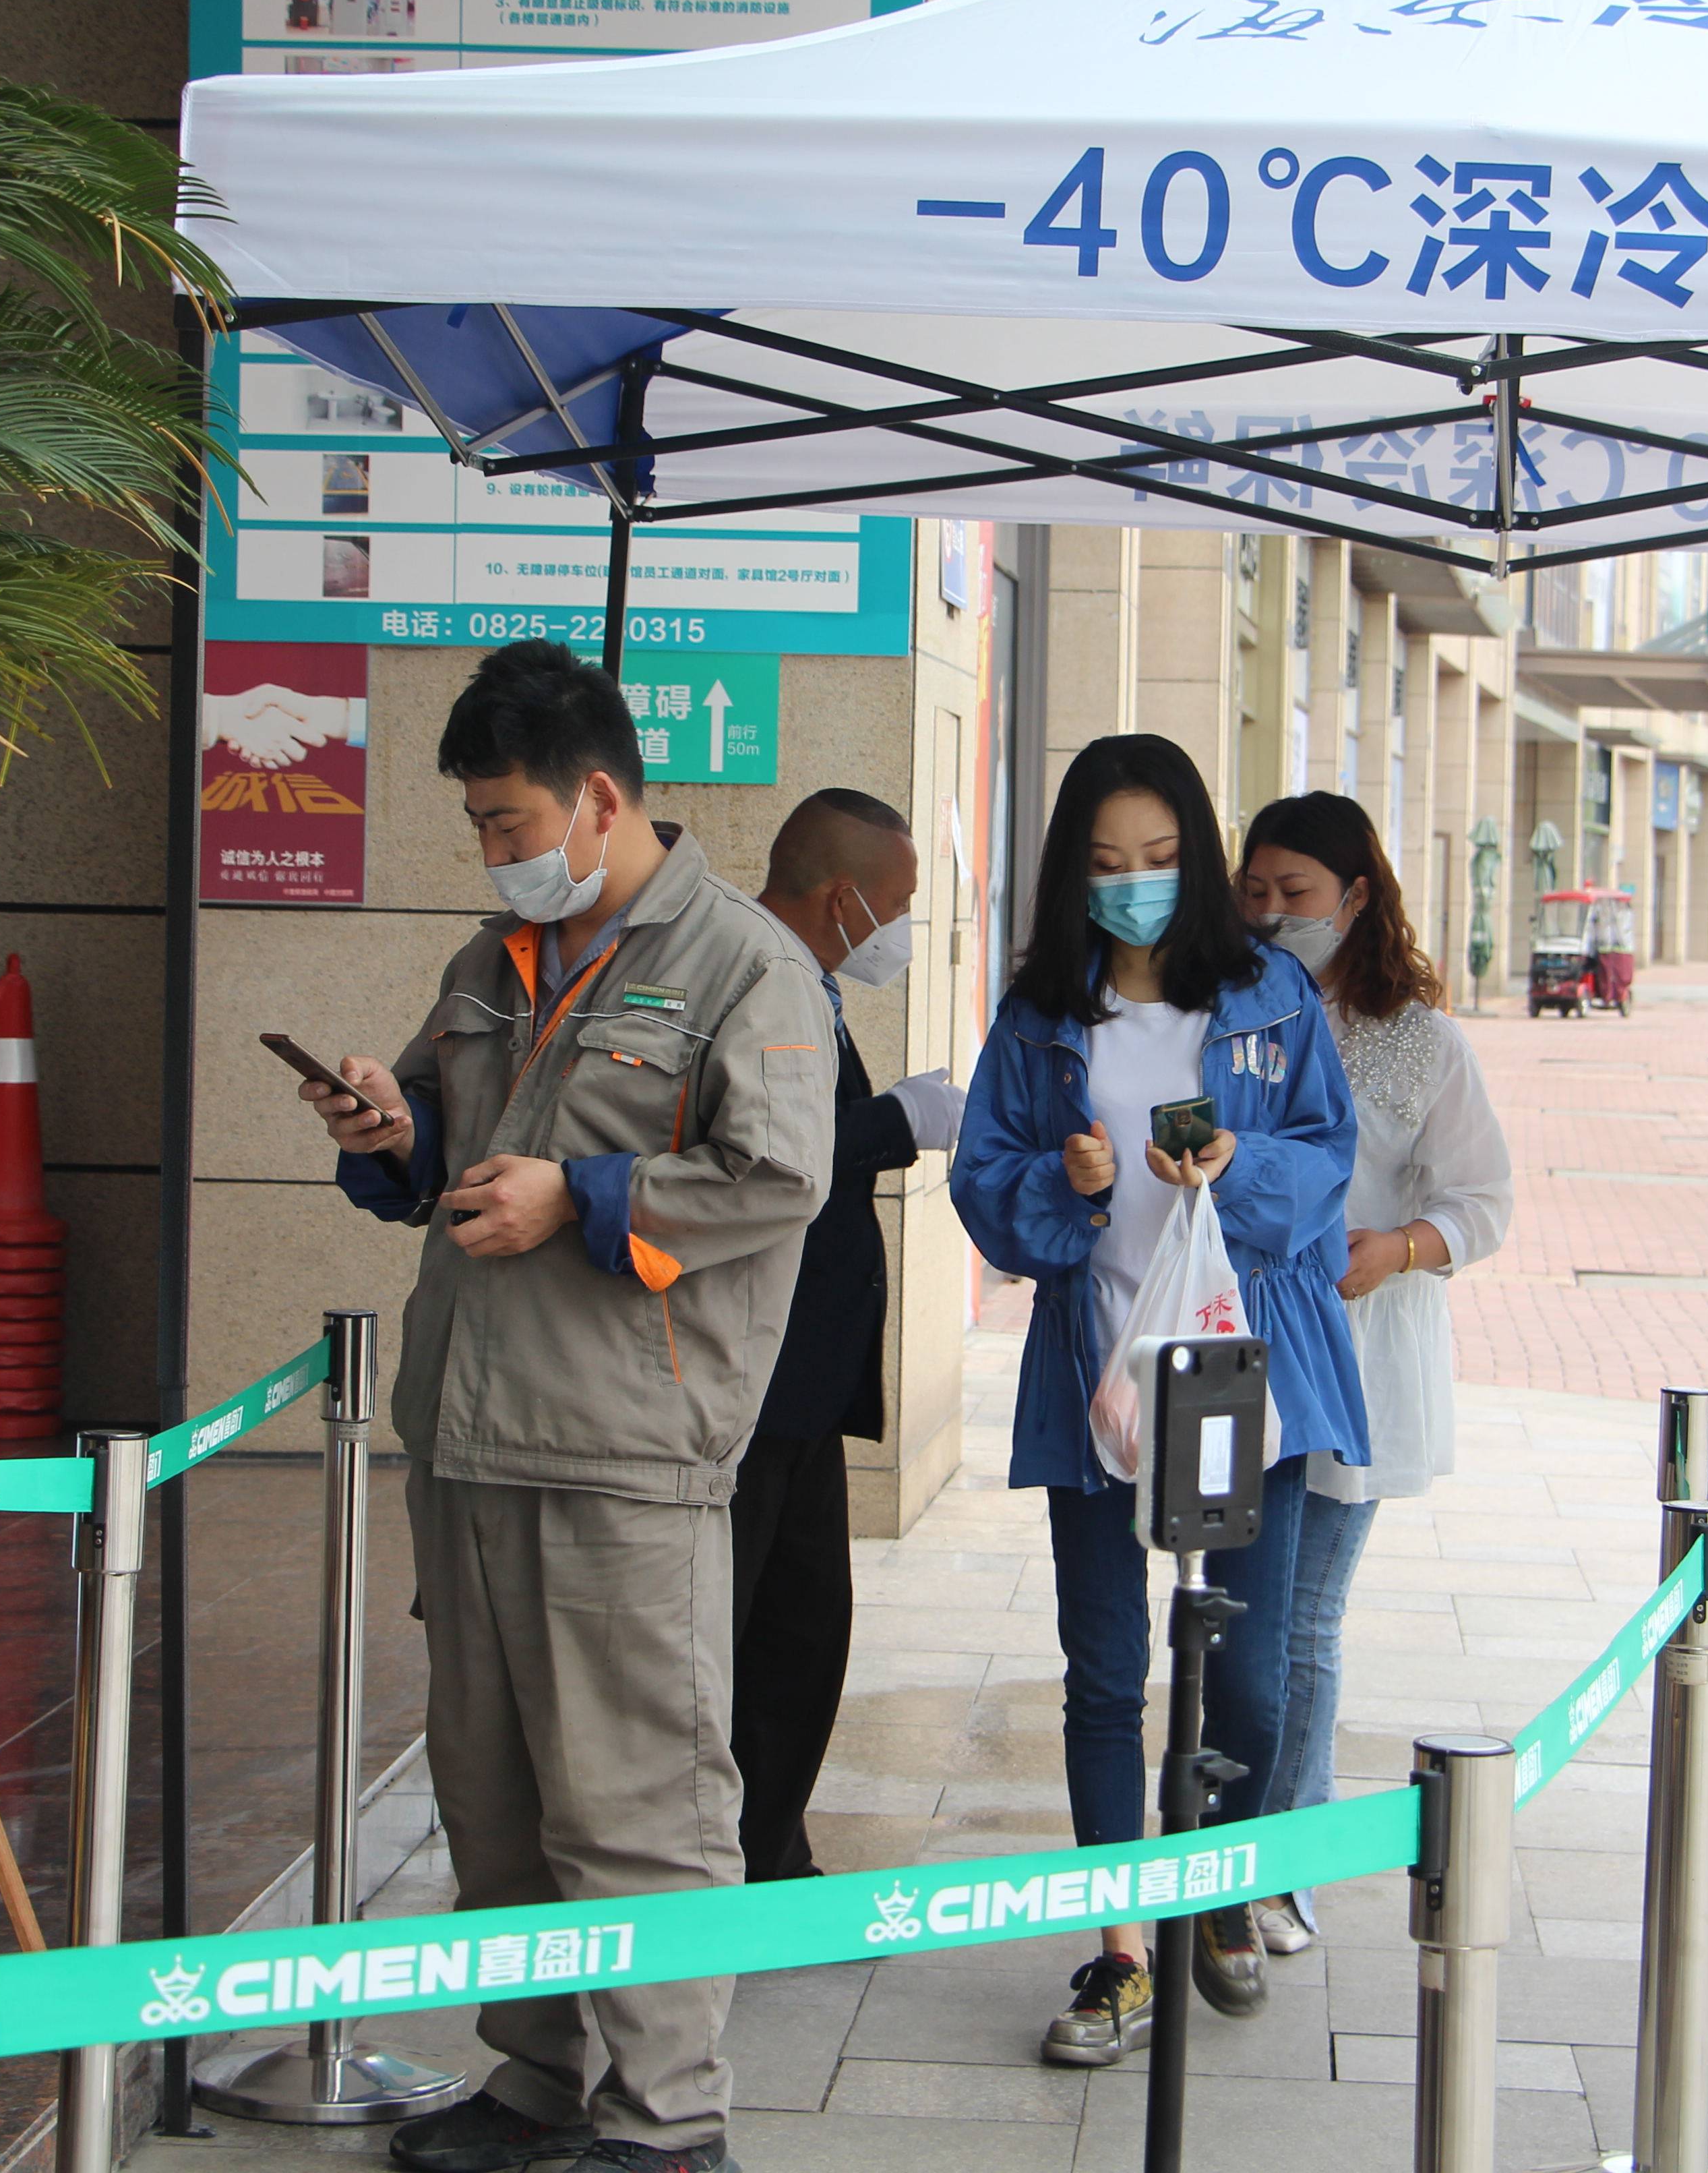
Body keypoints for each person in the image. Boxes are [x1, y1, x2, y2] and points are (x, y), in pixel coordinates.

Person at [305, 641, 835, 2173]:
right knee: (495, 1798)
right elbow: (426, 1165)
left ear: (602, 798)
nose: (495, 852)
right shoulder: (486, 965)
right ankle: (537, 2084)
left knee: (638, 1803)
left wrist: (583, 1198)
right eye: (479, 825)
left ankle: (668, 2126)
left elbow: (779, 1177)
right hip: (466, 1438)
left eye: (510, 822)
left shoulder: (744, 963)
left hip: (627, 1451)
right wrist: (385, 1131)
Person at [950, 734, 1362, 2065]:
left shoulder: (1269, 1000)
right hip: (1098, 1363)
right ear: (1075, 874)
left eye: (1162, 860)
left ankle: (1222, 1880)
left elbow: (1327, 1165)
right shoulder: (1039, 1017)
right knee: (1106, 1674)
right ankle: (1121, 1949)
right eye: (1108, 865)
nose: (1135, 887)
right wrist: (1061, 1186)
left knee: (1246, 1678)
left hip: (1239, 1367)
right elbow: (987, 1193)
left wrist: (1238, 1169)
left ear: (1200, 859)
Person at [1232, 790, 1512, 1956]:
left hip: (1356, 1355)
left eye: (1295, 895)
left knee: (1300, 1617)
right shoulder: (1228, 1009)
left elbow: (1483, 1204)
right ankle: (1218, 1843)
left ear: (1357, 898)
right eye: (1253, 892)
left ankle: (1282, 1860)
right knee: (1233, 1616)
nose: (1271, 915)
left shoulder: (1420, 1038)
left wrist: (1398, 1249)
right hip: (1237, 1346)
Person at [737, 787, 966, 1884]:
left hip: (805, 1386)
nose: (907, 927)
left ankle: (774, 1856)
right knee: (750, 1639)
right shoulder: (751, 975)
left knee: (802, 1633)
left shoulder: (808, 980)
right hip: (753, 1379)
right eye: (902, 903)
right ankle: (740, 1865)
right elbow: (767, 1158)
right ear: (844, 898)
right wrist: (898, 1125)